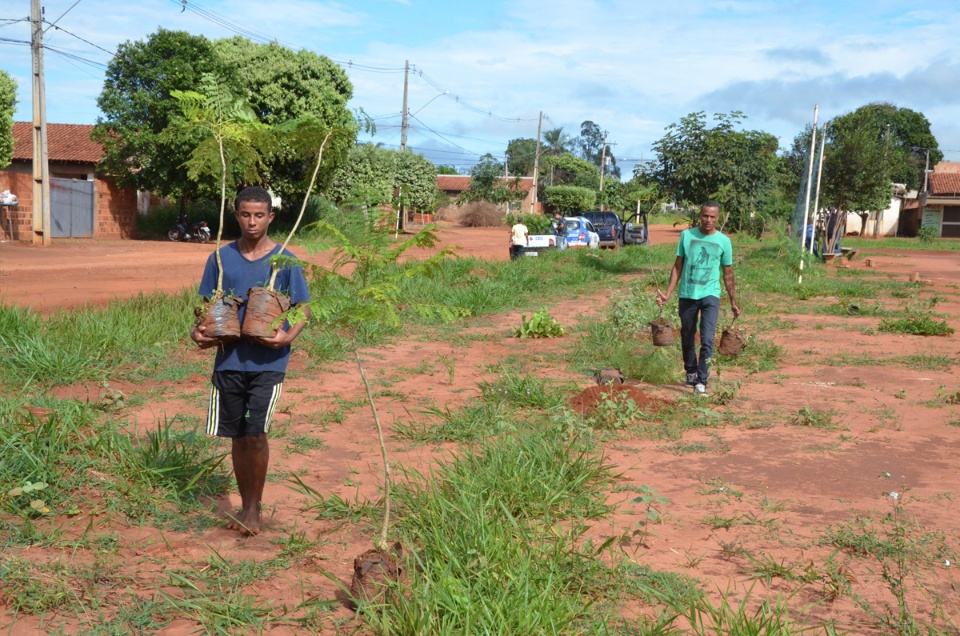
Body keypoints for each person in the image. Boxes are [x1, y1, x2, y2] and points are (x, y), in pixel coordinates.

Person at [190, 186, 310, 535]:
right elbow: (205, 309)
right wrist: (197, 335)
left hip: (267, 364)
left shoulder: (285, 261)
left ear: (271, 217)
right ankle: (244, 507)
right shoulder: (220, 258)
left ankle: (254, 511)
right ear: (236, 215)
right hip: (229, 361)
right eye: (245, 214)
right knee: (238, 437)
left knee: (256, 434)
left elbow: (302, 309)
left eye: (260, 215)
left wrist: (287, 336)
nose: (252, 222)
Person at [656, 201, 740, 396]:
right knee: (687, 335)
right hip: (687, 294)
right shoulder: (687, 236)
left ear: (718, 218)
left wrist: (733, 301)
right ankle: (691, 371)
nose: (708, 220)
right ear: (700, 216)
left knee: (708, 338)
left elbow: (728, 273)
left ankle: (702, 381)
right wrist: (668, 293)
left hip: (711, 295)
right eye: (705, 216)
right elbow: (677, 266)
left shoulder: (724, 241)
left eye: (712, 217)